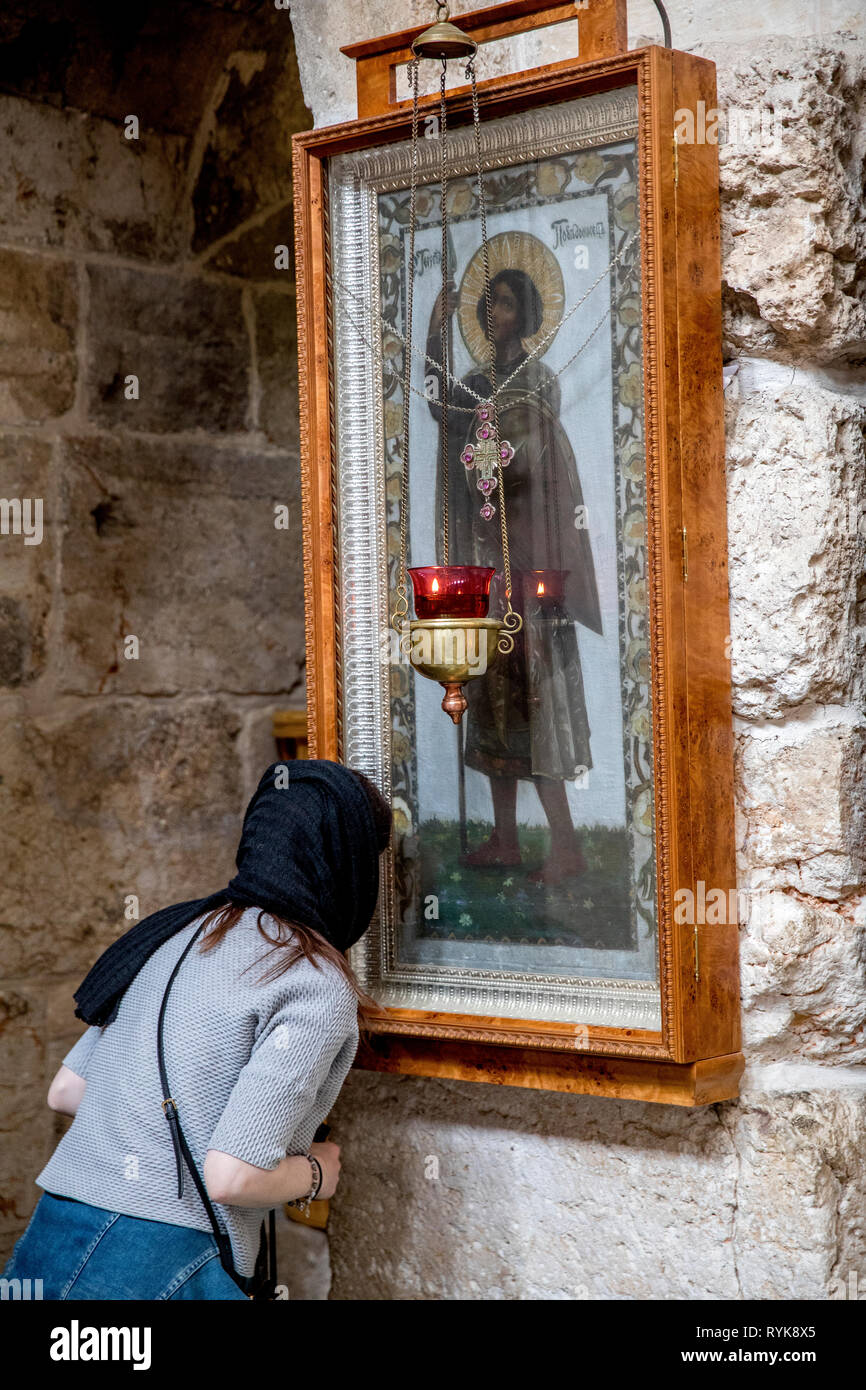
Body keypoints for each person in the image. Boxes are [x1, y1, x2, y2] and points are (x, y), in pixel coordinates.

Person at [2, 760, 392, 1300]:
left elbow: (67, 1091)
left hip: (60, 1221)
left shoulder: (175, 932)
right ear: (349, 865)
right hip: (161, 1253)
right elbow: (231, 1178)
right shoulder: (313, 983)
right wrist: (317, 1174)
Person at [426, 266, 603, 884]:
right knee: (490, 704)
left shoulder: (538, 381)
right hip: (489, 573)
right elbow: (439, 412)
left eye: (504, 303)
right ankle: (505, 839)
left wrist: (500, 448)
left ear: (524, 315)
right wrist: (433, 333)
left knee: (537, 707)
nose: (493, 312)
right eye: (488, 303)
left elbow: (533, 461)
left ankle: (568, 847)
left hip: (530, 576)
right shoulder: (473, 384)